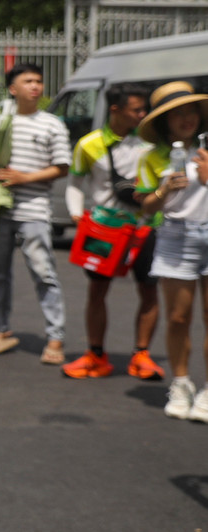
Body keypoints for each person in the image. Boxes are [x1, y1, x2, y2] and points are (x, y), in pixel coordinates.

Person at [63, 84, 163, 380]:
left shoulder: (151, 145)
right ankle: (95, 355)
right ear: (115, 110)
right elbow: (74, 183)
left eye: (144, 109)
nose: (143, 115)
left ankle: (141, 356)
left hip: (145, 228)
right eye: (136, 110)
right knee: (97, 290)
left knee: (149, 290)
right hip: (104, 229)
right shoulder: (89, 144)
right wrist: (77, 216)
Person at [0, 63, 72, 363]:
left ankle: (55, 338)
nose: (35, 86)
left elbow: (62, 167)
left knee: (44, 272)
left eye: (39, 81)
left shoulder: (51, 124)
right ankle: (0, 331)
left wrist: (24, 178)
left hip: (34, 210)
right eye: (28, 80)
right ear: (12, 88)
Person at [135, 82, 208, 419]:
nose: (185, 118)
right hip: (175, 236)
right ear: (165, 121)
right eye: (176, 114)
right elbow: (146, 208)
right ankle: (181, 383)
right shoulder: (152, 157)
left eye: (190, 111)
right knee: (179, 317)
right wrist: (164, 190)